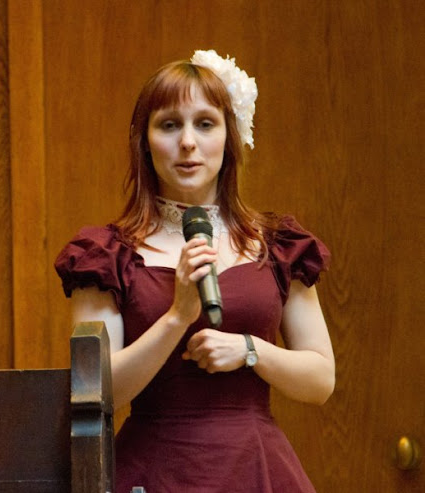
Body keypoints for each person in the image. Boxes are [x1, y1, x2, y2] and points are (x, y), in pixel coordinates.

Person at [55, 49, 335, 492]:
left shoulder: (279, 245)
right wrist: (177, 317)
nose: (188, 142)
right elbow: (98, 395)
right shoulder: (106, 253)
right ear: (144, 141)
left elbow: (320, 380)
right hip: (153, 470)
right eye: (169, 125)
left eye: (205, 124)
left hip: (256, 468)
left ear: (230, 136)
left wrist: (250, 350)